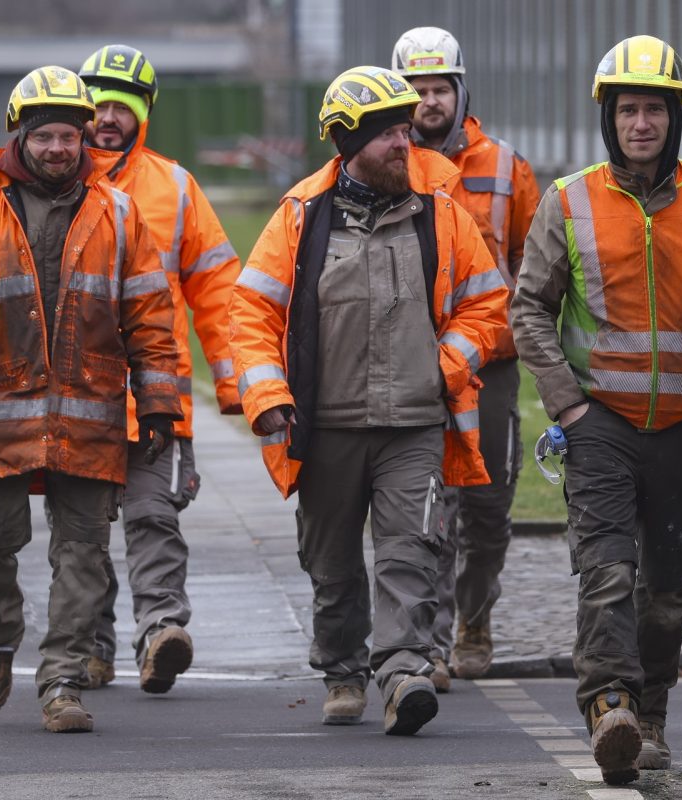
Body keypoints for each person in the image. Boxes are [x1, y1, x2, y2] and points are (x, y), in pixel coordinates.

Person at [511, 35, 682, 784]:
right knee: (606, 576)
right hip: (599, 428)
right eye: (628, 109)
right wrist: (567, 404)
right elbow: (526, 310)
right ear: (609, 117)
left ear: (675, 118)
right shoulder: (567, 201)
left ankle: (650, 717)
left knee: (664, 594)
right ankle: (610, 710)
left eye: (654, 110)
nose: (641, 123)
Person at [228, 65, 508, 736]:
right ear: (349, 142)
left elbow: (489, 305)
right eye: (388, 134)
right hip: (325, 429)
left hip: (414, 425)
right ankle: (343, 670)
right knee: (332, 564)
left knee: (408, 551)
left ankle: (404, 670)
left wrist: (442, 368)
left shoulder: (441, 215)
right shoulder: (301, 216)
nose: (403, 144)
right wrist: (267, 396)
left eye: (405, 131)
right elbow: (251, 313)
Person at [0, 65, 182, 734]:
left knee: (84, 560)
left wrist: (160, 403)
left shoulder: (118, 213)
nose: (60, 148)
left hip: (89, 419)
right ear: (19, 138)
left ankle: (62, 680)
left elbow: (150, 314)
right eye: (46, 137)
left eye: (70, 136)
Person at [68, 44, 242, 695]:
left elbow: (221, 295)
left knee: (152, 518)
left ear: (144, 113)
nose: (108, 117)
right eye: (99, 103)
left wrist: (237, 388)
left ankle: (160, 631)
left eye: (123, 105)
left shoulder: (174, 187)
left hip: (157, 401)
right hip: (78, 400)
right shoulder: (58, 179)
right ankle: (91, 646)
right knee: (81, 532)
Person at [391, 26, 540, 689]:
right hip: (416, 364)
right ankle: (425, 639)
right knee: (428, 504)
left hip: (491, 365)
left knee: (485, 504)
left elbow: (535, 271)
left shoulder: (507, 168)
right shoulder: (383, 160)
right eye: (417, 91)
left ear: (460, 90)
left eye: (439, 89)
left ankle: (473, 621)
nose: (429, 102)